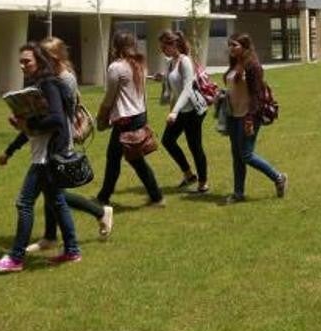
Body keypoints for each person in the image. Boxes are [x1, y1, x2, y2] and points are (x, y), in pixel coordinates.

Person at [0, 42, 83, 273]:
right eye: (20, 61)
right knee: (58, 202)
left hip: (47, 157)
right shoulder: (40, 85)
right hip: (44, 152)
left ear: (39, 61)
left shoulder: (49, 84)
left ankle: (16, 258)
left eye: (27, 61)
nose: (22, 65)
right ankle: (72, 251)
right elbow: (34, 125)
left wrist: (28, 123)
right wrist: (11, 147)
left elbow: (58, 120)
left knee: (24, 203)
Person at [29, 36, 114, 251]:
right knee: (51, 189)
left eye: (44, 56)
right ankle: (50, 236)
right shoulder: (49, 78)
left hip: (60, 139)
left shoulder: (65, 78)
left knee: (55, 191)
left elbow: (63, 112)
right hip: (50, 137)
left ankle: (100, 212)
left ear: (55, 57)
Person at [93, 31, 165, 208]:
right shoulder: (140, 64)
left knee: (130, 159)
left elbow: (110, 97)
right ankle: (104, 196)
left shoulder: (116, 67)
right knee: (121, 157)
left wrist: (101, 116)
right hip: (139, 116)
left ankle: (155, 197)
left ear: (115, 47)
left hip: (126, 120)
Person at [220, 33, 287, 203]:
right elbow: (233, 88)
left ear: (245, 46)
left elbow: (257, 96)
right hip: (233, 115)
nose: (231, 48)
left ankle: (278, 177)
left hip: (248, 115)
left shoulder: (253, 66)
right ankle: (238, 193)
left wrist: (250, 118)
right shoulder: (235, 64)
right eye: (230, 45)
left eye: (234, 45)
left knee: (246, 154)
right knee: (236, 155)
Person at [150, 30, 209, 194]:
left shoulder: (185, 61)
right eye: (161, 46)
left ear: (174, 44)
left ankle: (203, 182)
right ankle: (189, 174)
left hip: (192, 111)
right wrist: (162, 77)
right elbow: (174, 80)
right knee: (168, 141)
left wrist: (174, 112)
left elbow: (187, 89)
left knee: (194, 146)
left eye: (164, 46)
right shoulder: (172, 62)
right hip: (180, 110)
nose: (162, 50)